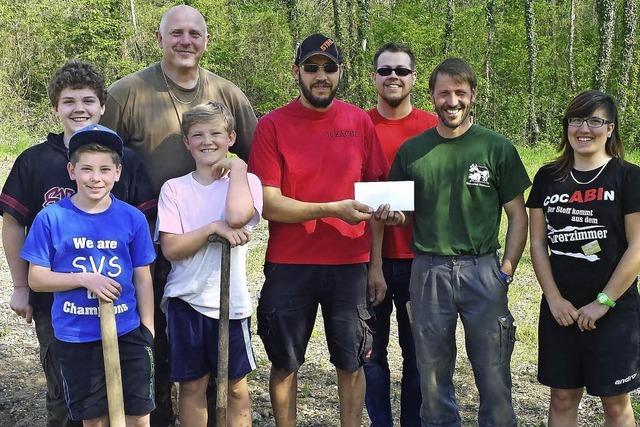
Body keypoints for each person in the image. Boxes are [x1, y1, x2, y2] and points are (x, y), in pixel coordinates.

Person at [100, 5, 258, 424]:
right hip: (142, 242)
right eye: (176, 33)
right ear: (160, 39)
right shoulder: (126, 93)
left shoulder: (227, 94)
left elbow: (258, 155)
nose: (185, 41)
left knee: (219, 370)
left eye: (194, 33)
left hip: (212, 257)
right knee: (154, 352)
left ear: (205, 41)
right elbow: (94, 158)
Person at [248, 33, 394, 427]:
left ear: (341, 73)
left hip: (350, 264)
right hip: (289, 263)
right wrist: (330, 209)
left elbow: (376, 200)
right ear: (296, 71)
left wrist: (376, 265)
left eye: (329, 68)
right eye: (311, 68)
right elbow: (268, 203)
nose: (321, 76)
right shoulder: (272, 125)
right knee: (284, 363)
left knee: (351, 363)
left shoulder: (359, 122)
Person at [0, 61, 156, 427]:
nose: (79, 109)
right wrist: (21, 286)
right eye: (69, 101)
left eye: (88, 100)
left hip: (123, 313)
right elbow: (12, 225)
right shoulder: (34, 161)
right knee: (67, 397)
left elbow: (142, 246)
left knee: (135, 401)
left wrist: (146, 323)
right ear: (56, 108)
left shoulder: (127, 162)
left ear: (103, 106)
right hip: (62, 312)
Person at [388, 58, 530, 427]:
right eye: (444, 93)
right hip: (428, 270)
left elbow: (518, 214)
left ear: (473, 96)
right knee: (432, 375)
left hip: (482, 269)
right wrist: (391, 214)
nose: (452, 101)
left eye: (460, 93)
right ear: (432, 97)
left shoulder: (496, 148)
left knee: (494, 370)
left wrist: (506, 271)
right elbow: (403, 213)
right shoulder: (412, 151)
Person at [527, 90, 640, 427]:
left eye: (595, 120)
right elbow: (537, 243)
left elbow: (638, 246)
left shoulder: (628, 176)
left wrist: (604, 301)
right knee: (562, 398)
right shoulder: (547, 177)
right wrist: (554, 298)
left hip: (614, 309)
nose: (583, 129)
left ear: (610, 128)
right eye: (576, 120)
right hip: (561, 310)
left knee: (615, 404)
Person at [156, 101, 262, 427]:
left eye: (216, 133)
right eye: (197, 134)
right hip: (186, 300)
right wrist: (211, 230)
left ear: (230, 137)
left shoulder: (248, 183)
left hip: (231, 304)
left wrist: (239, 169)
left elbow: (237, 216)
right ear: (187, 143)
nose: (207, 141)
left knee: (234, 386)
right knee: (192, 384)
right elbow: (172, 248)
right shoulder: (174, 189)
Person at [364, 42, 438, 427]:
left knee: (418, 355)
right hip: (368, 262)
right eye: (385, 70)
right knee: (372, 356)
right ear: (373, 77)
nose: (393, 76)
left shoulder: (432, 126)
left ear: (413, 79)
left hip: (420, 262)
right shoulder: (360, 124)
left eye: (402, 71)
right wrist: (374, 264)